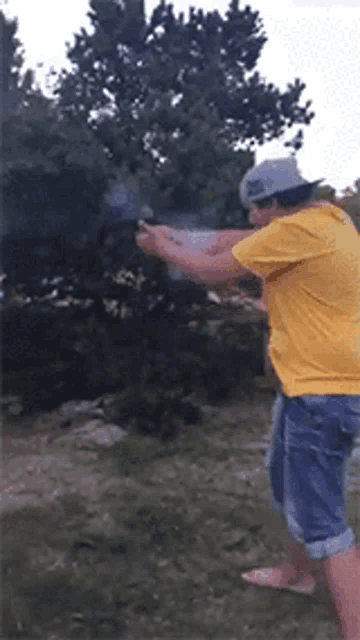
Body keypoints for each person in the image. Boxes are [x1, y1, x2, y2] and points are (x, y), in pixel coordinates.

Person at [136, 157, 360, 639]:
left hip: (323, 392)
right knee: (285, 478)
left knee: (324, 523)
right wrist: (174, 231)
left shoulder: (293, 232)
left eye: (256, 210)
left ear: (275, 204)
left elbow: (211, 268)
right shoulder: (328, 221)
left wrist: (163, 250)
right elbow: (227, 241)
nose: (252, 219)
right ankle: (297, 576)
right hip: (314, 383)